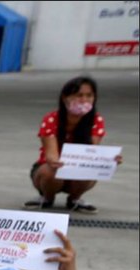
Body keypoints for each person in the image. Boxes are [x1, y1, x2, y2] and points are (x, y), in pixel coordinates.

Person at [24, 76, 122, 214]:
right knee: (51, 172)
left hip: (77, 170)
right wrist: (54, 161)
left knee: (90, 172)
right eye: (79, 95)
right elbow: (51, 153)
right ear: (65, 98)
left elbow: (92, 152)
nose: (84, 100)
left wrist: (108, 161)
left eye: (89, 95)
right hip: (50, 169)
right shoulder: (51, 119)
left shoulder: (96, 120)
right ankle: (47, 197)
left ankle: (75, 199)